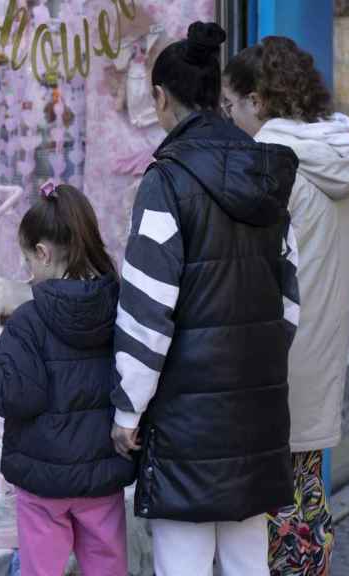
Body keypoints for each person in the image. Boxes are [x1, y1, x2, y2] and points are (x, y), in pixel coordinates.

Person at [108, 22, 300, 576]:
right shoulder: (265, 173)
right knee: (247, 560)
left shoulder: (166, 181)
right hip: (255, 408)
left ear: (161, 99)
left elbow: (147, 309)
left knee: (183, 560)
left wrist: (128, 408)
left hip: (185, 418)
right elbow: (290, 301)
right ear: (217, 95)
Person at [0, 182, 135, 576]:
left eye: (27, 260)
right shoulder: (120, 308)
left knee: (42, 568)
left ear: (42, 252)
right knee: (108, 565)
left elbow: (14, 393)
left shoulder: (29, 320)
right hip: (103, 471)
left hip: (43, 479)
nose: (28, 272)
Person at [224, 36, 349, 576]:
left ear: (258, 102)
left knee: (270, 515)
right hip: (320, 350)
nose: (230, 119)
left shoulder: (273, 164)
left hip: (277, 359)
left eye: (231, 106)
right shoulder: (334, 154)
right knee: (305, 496)